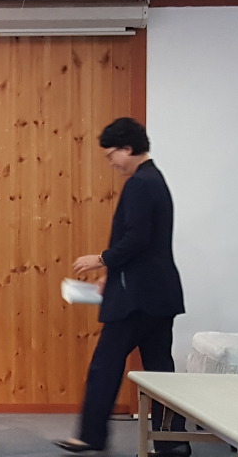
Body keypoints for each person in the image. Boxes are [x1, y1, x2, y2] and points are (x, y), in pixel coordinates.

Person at [55, 118, 189, 457]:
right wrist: (111, 274)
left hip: (136, 299)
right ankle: (173, 442)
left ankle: (91, 436)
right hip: (158, 293)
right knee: (160, 371)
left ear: (127, 149)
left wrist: (101, 259)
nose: (111, 162)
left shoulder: (140, 184)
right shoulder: (154, 179)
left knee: (105, 366)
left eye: (111, 154)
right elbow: (146, 244)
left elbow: (137, 239)